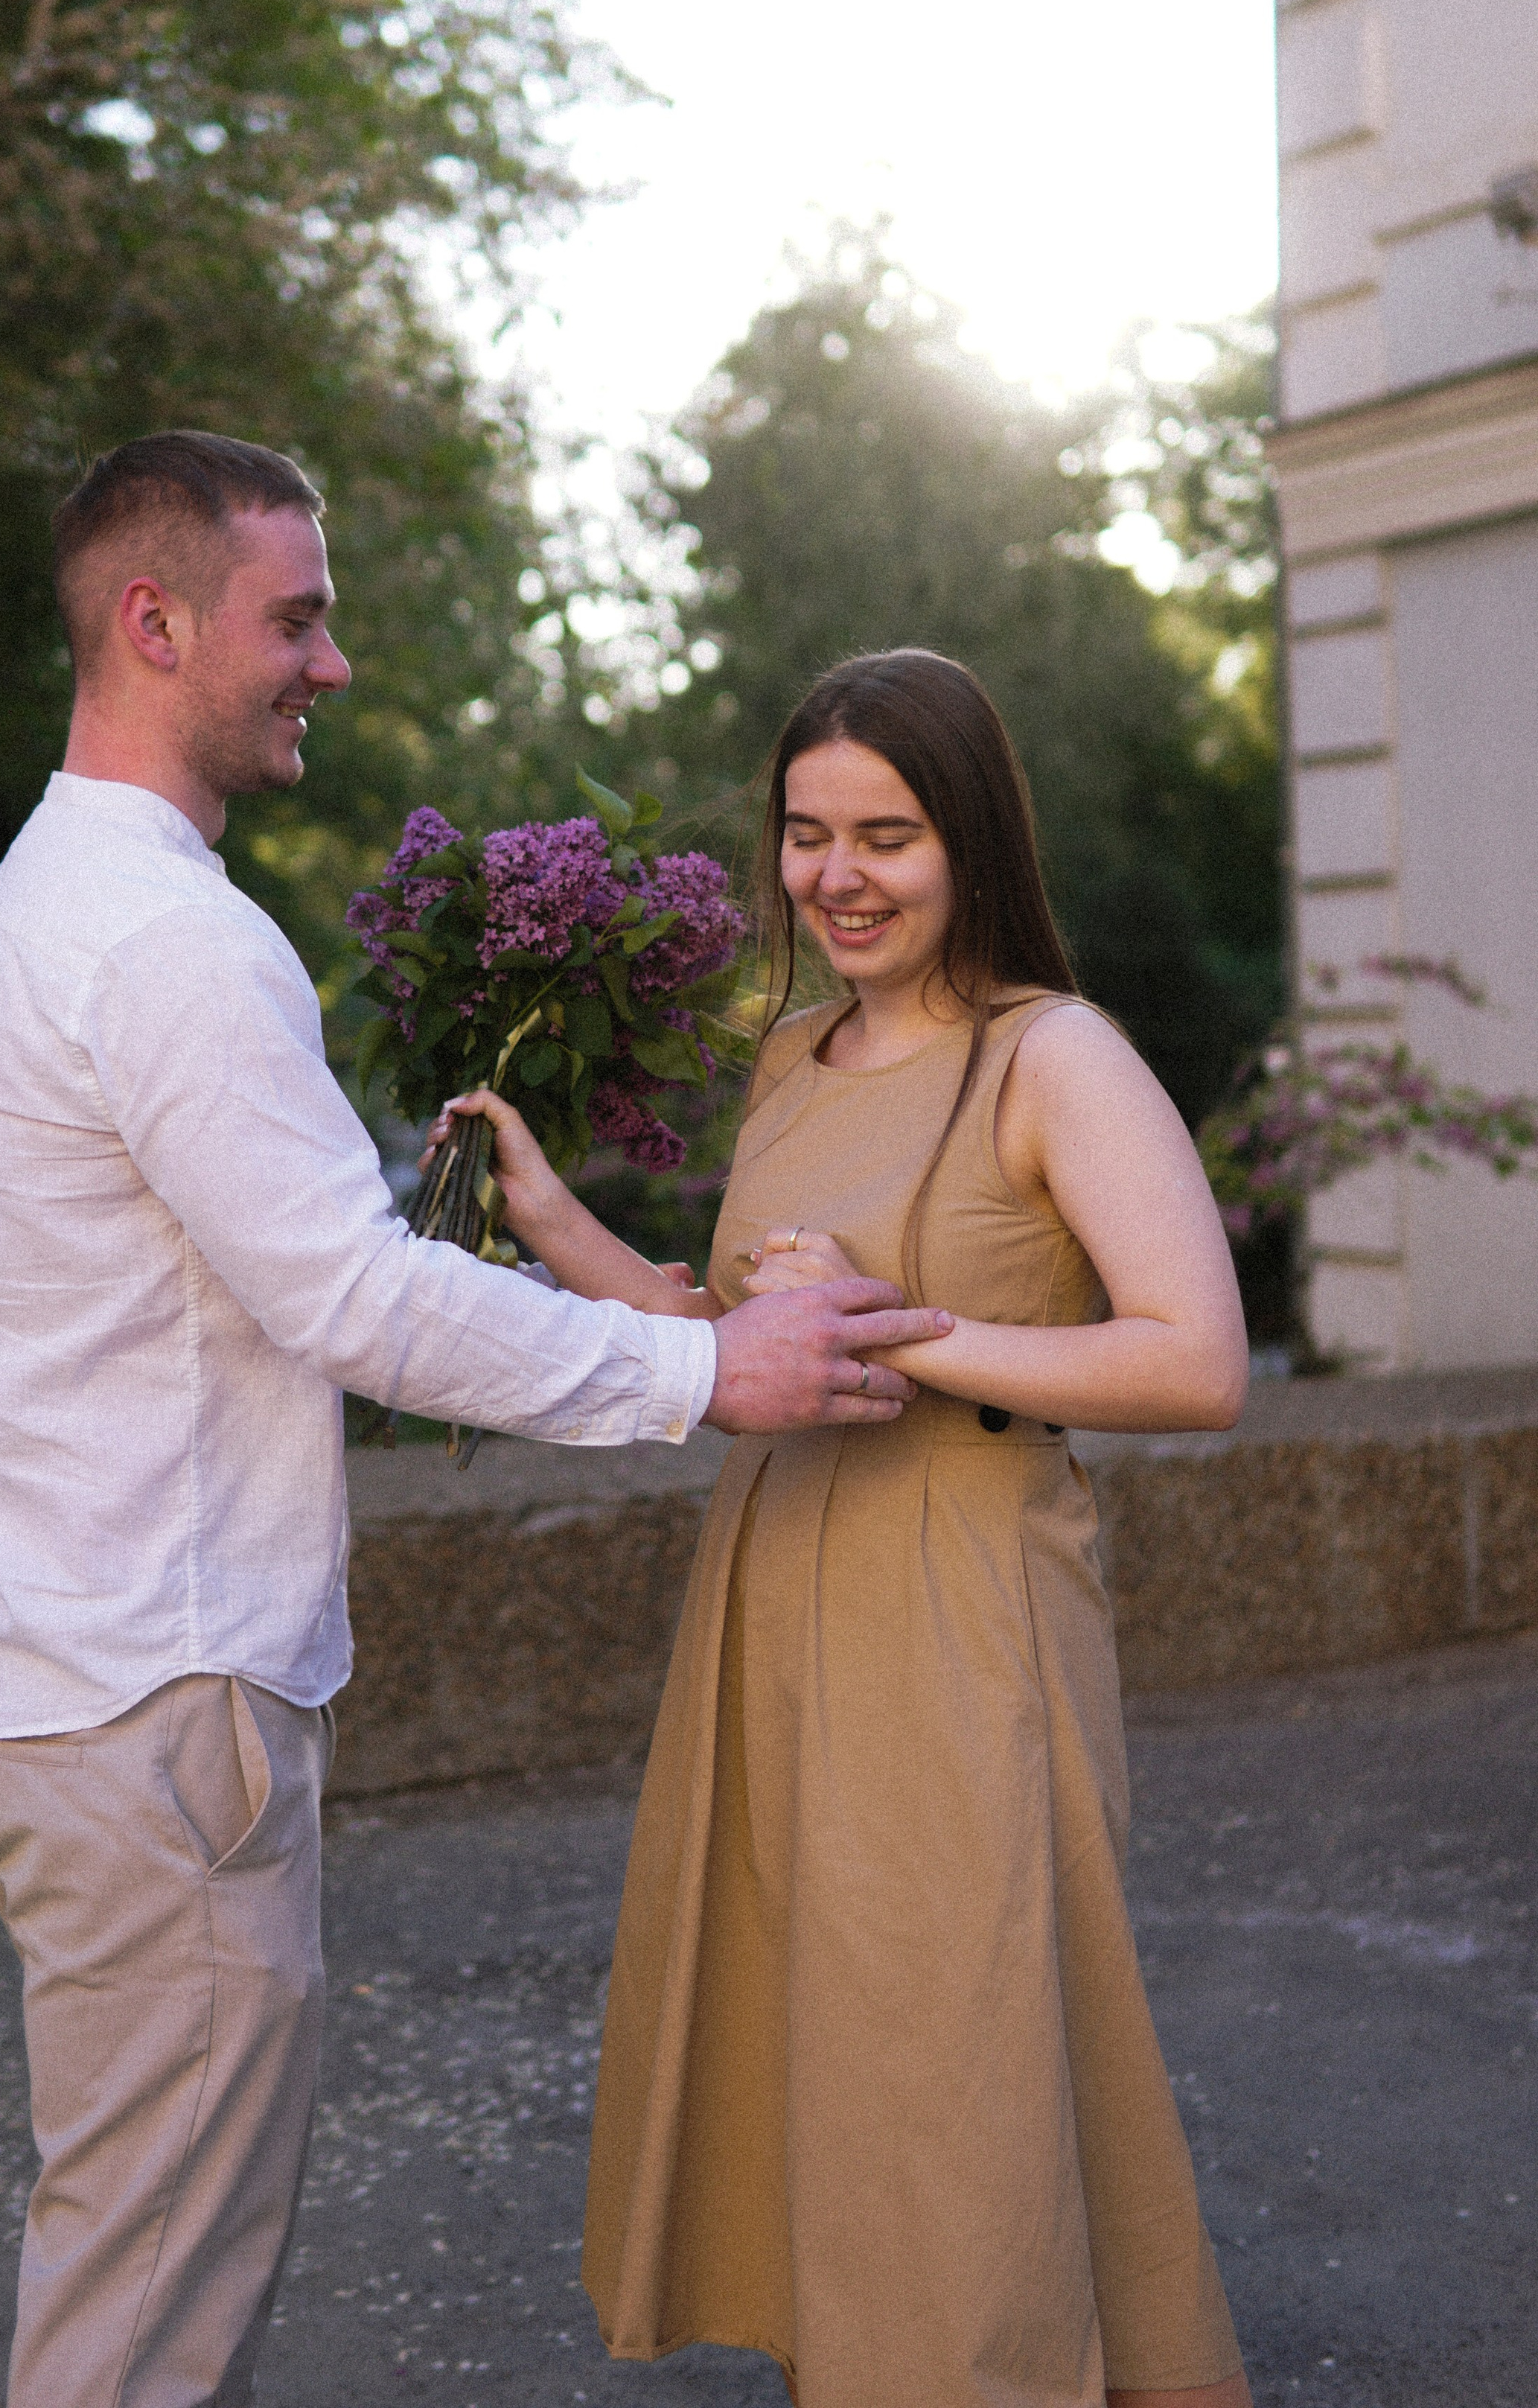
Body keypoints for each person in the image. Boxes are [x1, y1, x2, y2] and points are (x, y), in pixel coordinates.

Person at [0, 432, 946, 2408]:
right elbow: (352, 1301)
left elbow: (270, 1261)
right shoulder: (164, 940)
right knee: (146, 2321)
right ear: (154, 622)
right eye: (294, 619)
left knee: (135, 2265)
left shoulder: (57, 901)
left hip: (82, 1684)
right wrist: (707, 1374)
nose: (331, 662)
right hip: (158, 1704)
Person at [431, 646, 1254, 2408]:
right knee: (826, 2071)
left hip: (959, 1618)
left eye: (886, 835)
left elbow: (1195, 1362)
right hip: (772, 1616)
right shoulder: (794, 1057)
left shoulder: (1052, 1058)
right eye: (807, 835)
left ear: (969, 837)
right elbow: (738, 1340)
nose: (836, 877)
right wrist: (550, 1217)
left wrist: (906, 1332)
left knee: (961, 2070)